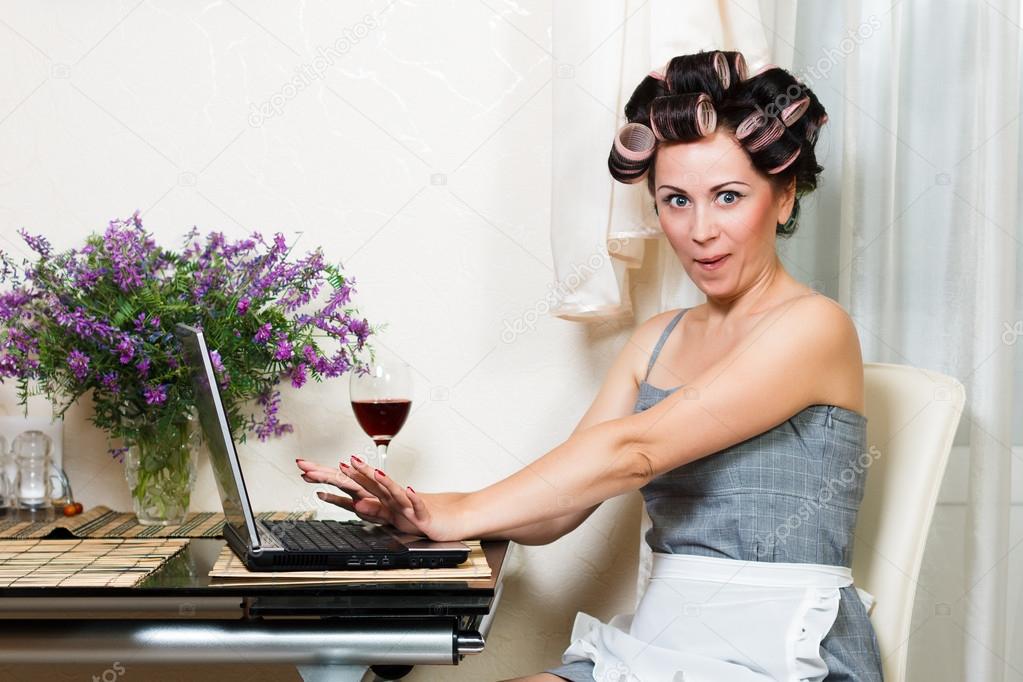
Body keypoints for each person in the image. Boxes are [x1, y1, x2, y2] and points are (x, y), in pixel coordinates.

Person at [296, 49, 884, 682]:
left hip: (785, 648)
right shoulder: (657, 339)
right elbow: (555, 514)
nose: (700, 230)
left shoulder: (814, 327)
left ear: (785, 196)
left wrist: (459, 509)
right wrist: (417, 507)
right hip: (664, 643)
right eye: (676, 200)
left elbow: (634, 450)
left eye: (728, 197)